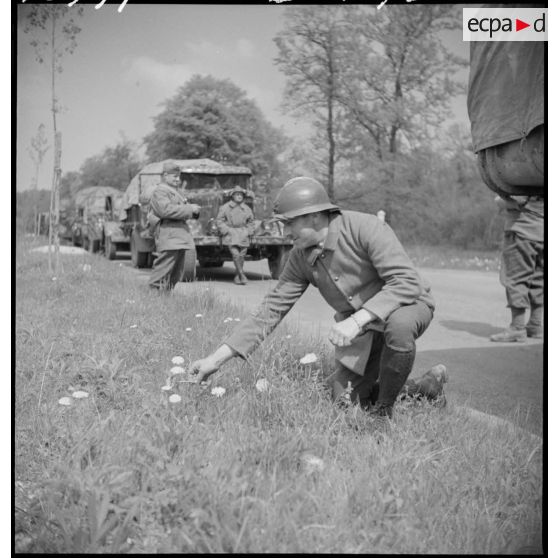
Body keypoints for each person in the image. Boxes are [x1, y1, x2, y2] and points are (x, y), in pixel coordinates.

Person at [189, 177, 448, 419]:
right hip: (362, 329)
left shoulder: (367, 227)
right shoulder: (300, 256)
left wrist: (357, 321)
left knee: (399, 327)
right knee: (345, 400)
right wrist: (214, 360)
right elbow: (269, 312)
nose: (285, 229)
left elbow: (406, 282)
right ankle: (424, 387)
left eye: (289, 222)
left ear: (314, 217)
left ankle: (383, 414)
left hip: (406, 304)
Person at [490, 195, 544, 342]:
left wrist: (499, 200)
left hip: (523, 231)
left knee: (517, 277)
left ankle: (517, 327)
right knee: (539, 279)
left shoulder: (526, 175)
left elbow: (516, 199)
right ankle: (535, 325)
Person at [147, 161, 201, 291]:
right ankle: (153, 296)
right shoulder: (160, 191)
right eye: (174, 176)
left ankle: (166, 297)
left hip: (179, 233)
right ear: (165, 175)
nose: (178, 179)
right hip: (169, 232)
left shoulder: (175, 192)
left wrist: (194, 211)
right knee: (164, 267)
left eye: (178, 176)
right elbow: (165, 210)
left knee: (177, 270)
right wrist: (189, 209)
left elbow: (178, 209)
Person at [216, 185, 255, 285]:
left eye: (241, 195)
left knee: (242, 255)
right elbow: (219, 220)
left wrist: (249, 231)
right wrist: (226, 230)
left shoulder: (246, 209)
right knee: (235, 254)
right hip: (231, 233)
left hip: (243, 233)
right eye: (237, 194)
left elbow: (251, 221)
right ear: (232, 196)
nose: (239, 196)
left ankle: (237, 276)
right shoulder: (225, 207)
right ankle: (242, 274)